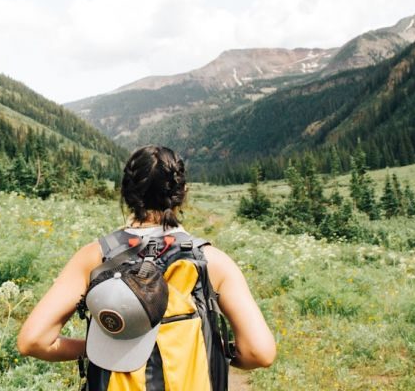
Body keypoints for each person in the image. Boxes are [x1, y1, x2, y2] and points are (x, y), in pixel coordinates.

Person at [17, 145, 275, 389]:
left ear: (126, 193)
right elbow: (259, 352)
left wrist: (96, 348)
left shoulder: (95, 257)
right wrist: (218, 351)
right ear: (182, 192)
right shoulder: (211, 260)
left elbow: (34, 341)